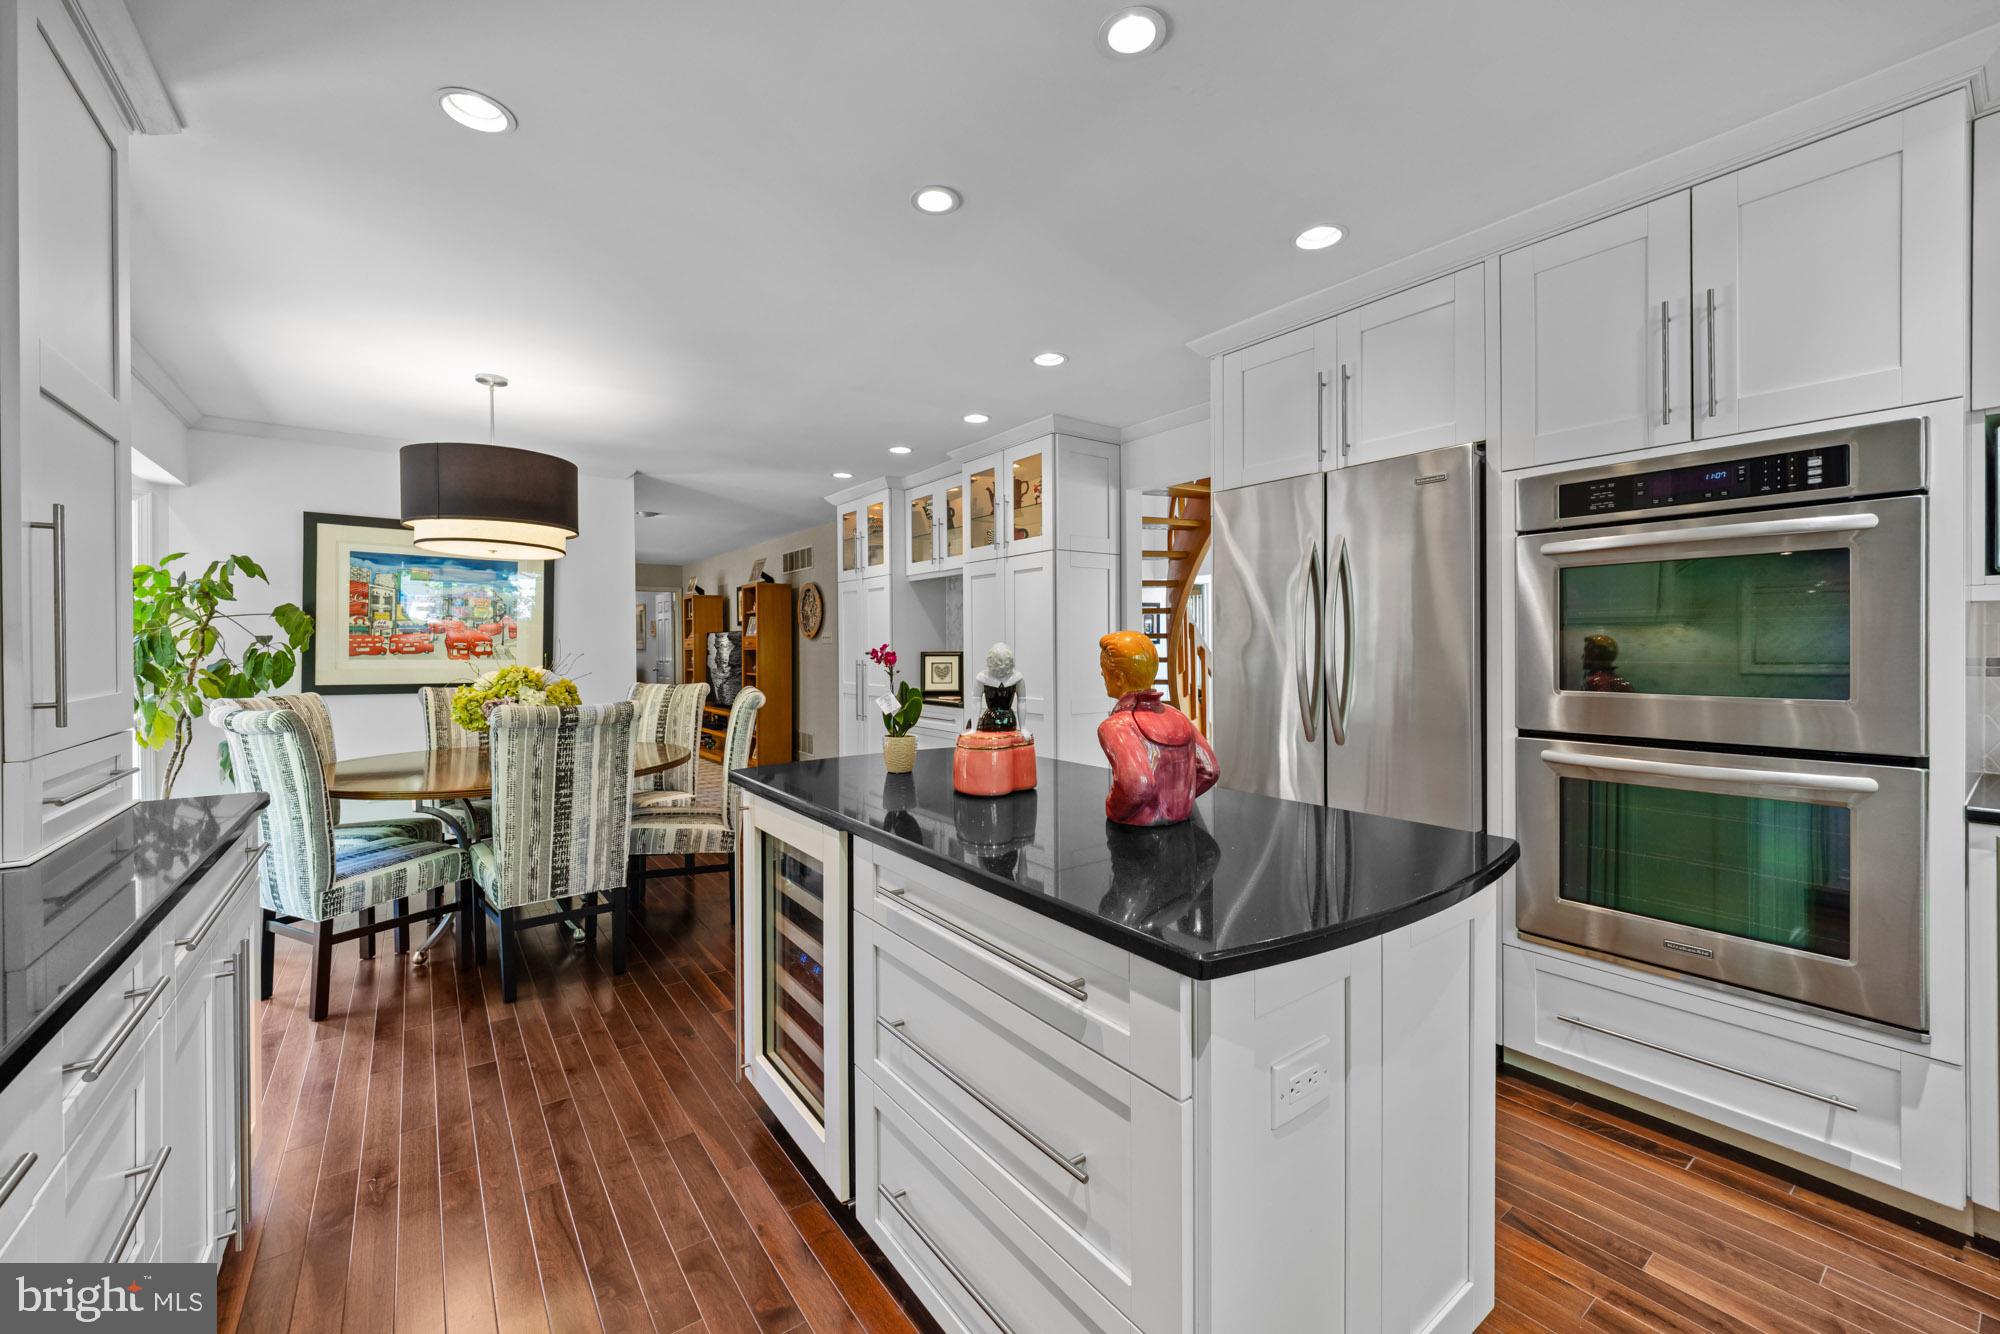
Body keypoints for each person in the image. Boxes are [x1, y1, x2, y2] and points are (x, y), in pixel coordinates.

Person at [1095, 630, 1218, 826]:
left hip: (1136, 841)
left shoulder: (1116, 726)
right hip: (1182, 834)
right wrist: (1177, 802)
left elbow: (1137, 785)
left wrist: (1113, 808)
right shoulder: (1178, 716)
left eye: (1103, 668)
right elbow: (1210, 770)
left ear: (1118, 677)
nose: (1101, 673)